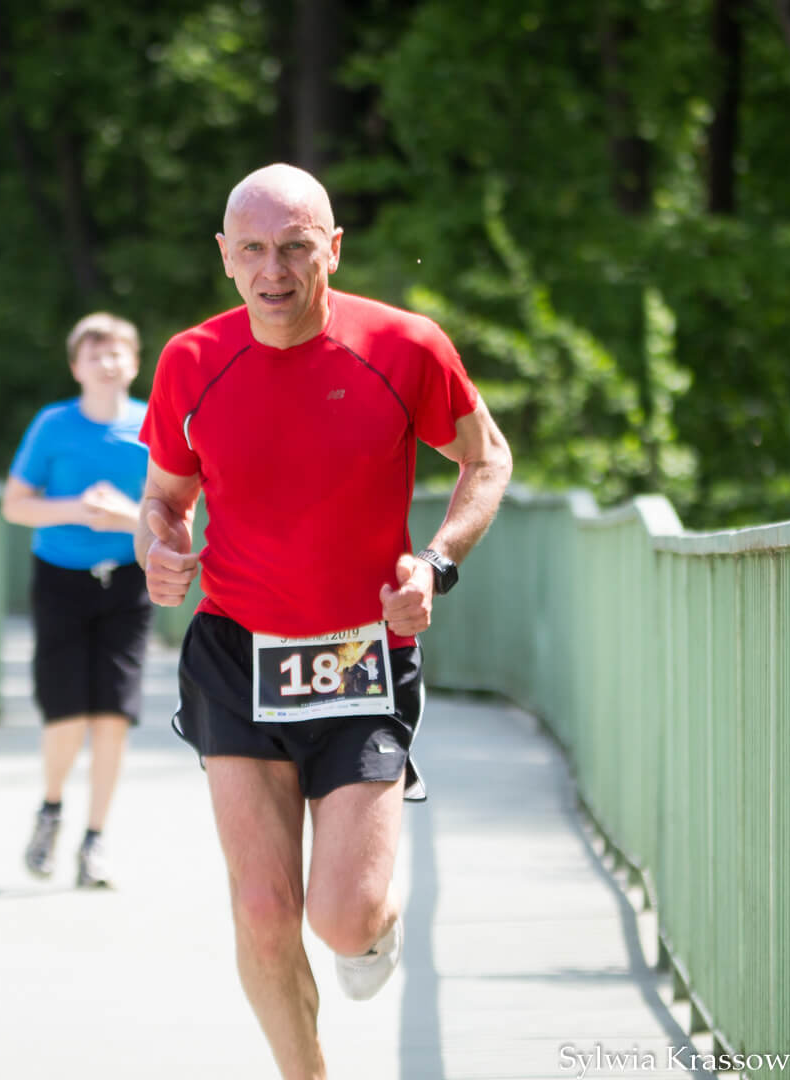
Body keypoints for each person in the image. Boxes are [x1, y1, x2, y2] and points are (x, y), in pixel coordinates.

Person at [135, 164, 513, 1079]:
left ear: (332, 250)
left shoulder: (404, 346)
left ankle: (366, 929)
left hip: (359, 654)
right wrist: (160, 546)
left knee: (343, 915)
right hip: (236, 653)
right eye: (254, 250)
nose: (275, 270)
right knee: (264, 910)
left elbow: (487, 459)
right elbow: (165, 497)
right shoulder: (192, 358)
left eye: (296, 247)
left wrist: (438, 563)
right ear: (225, 257)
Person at [1, 312, 153, 888]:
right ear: (76, 366)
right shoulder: (52, 425)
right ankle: (52, 808)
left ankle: (95, 840)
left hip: (127, 581)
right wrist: (76, 509)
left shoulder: (152, 426)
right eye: (94, 354)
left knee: (113, 713)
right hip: (60, 577)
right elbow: (15, 505)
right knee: (67, 711)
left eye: (117, 353)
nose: (106, 363)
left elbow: (174, 516)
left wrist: (127, 516)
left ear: (135, 363)